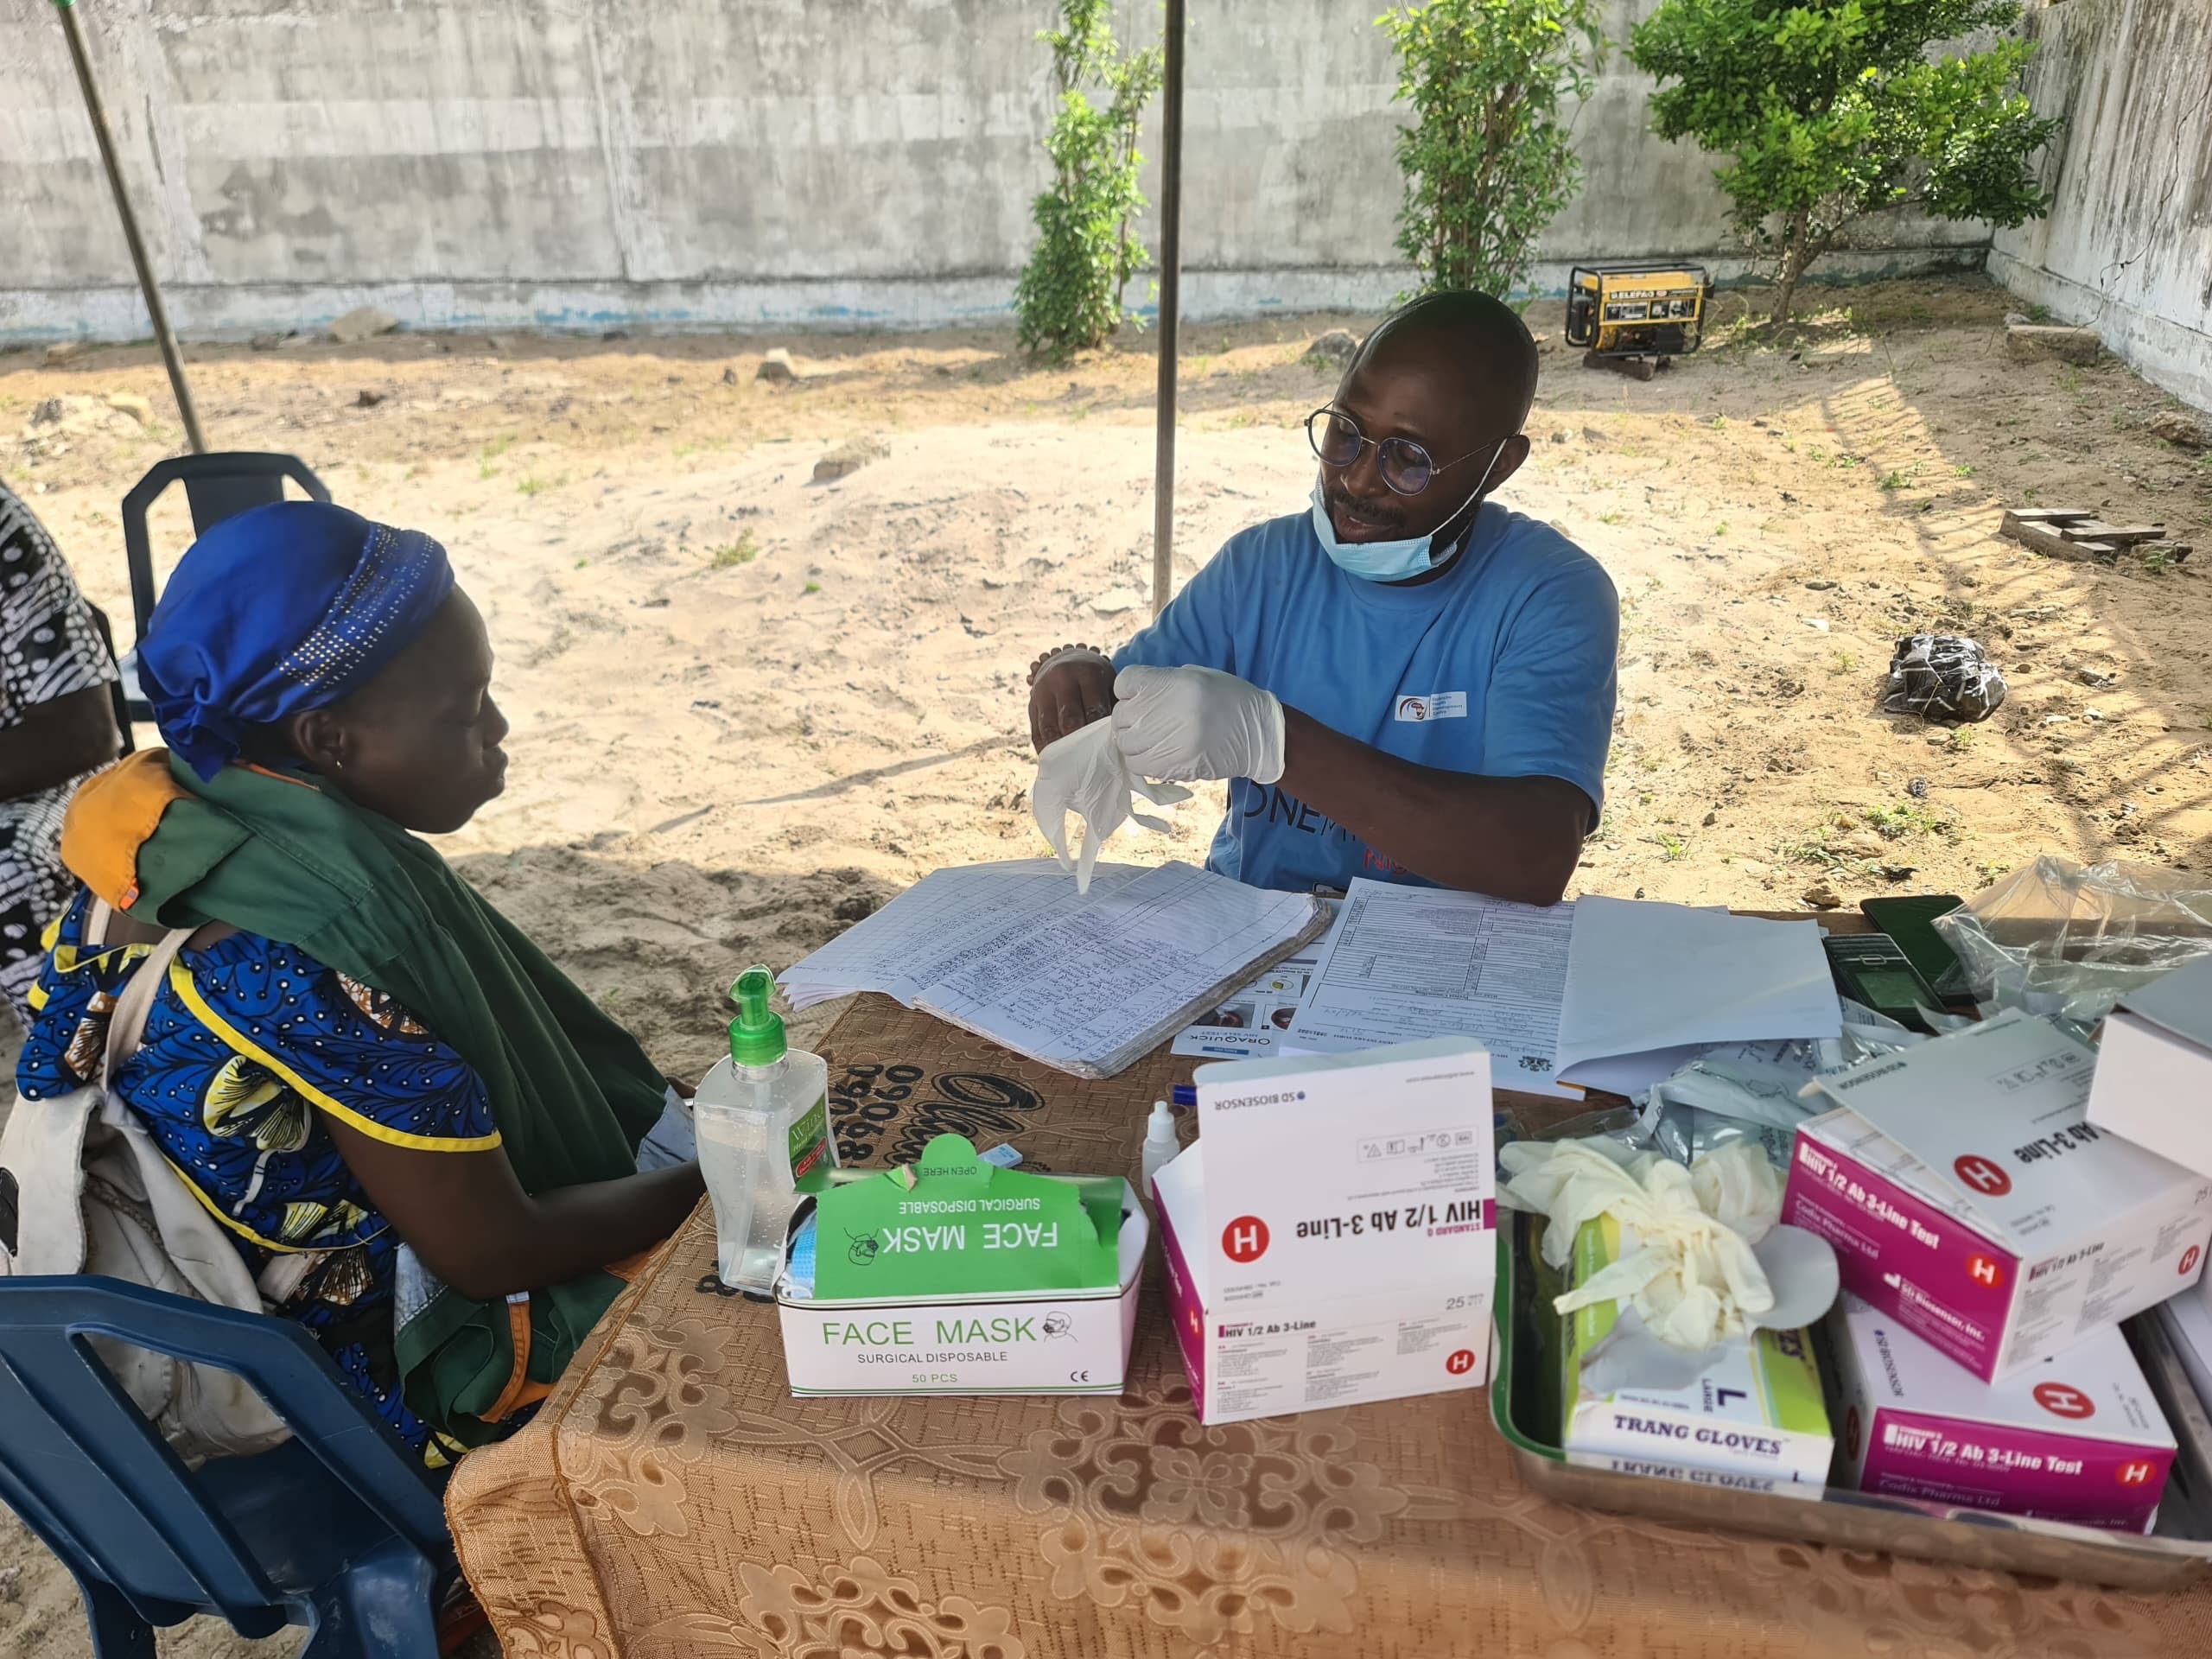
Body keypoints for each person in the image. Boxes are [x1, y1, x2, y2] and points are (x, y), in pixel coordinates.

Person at [15, 502, 701, 1465]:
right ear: (328, 739)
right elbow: (490, 1253)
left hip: (222, 1302)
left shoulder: (160, 835)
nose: (498, 729)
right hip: (352, 1387)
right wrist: (720, 1183)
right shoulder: (317, 943)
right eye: (466, 710)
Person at [1027, 291, 1618, 905]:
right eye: (1346, 432)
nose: (1356, 479)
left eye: (1409, 459)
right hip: (1257, 920)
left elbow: (1536, 857)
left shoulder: (1548, 595)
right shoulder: (1263, 569)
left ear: (1498, 466)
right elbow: (1117, 716)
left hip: (1441, 941)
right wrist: (1072, 679)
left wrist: (1277, 742)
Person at [0, 480, 123, 1021]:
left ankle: (70, 1052)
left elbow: (82, 732)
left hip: (35, 773)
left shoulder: (3, 531)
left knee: (8, 867)